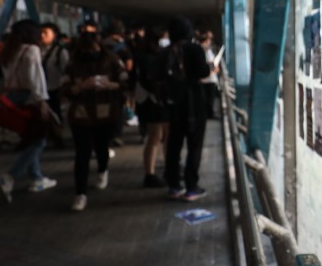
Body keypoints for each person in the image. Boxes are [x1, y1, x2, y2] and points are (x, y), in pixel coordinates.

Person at [62, 30, 126, 211]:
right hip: (81, 114)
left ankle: (102, 169)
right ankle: (80, 193)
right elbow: (64, 88)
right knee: (82, 153)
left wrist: (109, 84)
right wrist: (81, 86)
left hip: (106, 112)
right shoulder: (73, 63)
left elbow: (125, 82)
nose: (90, 51)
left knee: (101, 146)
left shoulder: (112, 60)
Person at [0, 19, 56, 201]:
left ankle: (37, 178)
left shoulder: (8, 50)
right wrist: (42, 101)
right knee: (40, 140)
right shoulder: (31, 50)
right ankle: (10, 176)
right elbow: (36, 77)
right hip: (30, 98)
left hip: (13, 97)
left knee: (30, 139)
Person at [160, 16, 211, 200]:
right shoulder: (195, 49)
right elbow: (203, 73)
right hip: (194, 104)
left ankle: (174, 185)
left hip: (172, 105)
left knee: (173, 145)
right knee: (194, 146)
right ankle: (191, 187)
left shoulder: (166, 51)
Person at [133, 26, 168, 188]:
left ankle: (155, 171)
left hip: (147, 100)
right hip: (153, 100)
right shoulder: (152, 56)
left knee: (157, 135)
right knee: (155, 136)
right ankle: (150, 173)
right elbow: (151, 80)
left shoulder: (141, 53)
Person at [40, 22, 69, 146]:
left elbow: (66, 71)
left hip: (55, 88)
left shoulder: (60, 52)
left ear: (54, 35)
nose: (42, 35)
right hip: (42, 89)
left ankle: (58, 137)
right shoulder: (38, 50)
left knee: (56, 115)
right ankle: (47, 137)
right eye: (41, 32)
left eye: (46, 33)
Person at [198, 31, 219, 120]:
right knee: (208, 99)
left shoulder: (206, 51)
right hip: (207, 79)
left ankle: (208, 113)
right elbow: (210, 64)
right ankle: (208, 114)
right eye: (208, 41)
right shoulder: (202, 51)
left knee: (209, 98)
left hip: (209, 78)